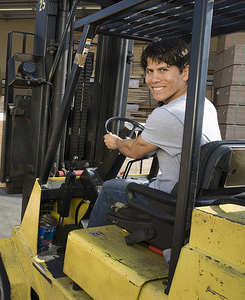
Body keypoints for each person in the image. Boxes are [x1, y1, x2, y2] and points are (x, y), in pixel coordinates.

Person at [88, 38, 221, 227]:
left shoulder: (167, 113)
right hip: (191, 197)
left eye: (163, 70)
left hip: (166, 201)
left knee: (109, 188)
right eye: (150, 71)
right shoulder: (203, 105)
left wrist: (116, 142)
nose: (153, 79)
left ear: (186, 73)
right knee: (146, 179)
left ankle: (91, 240)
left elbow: (134, 150)